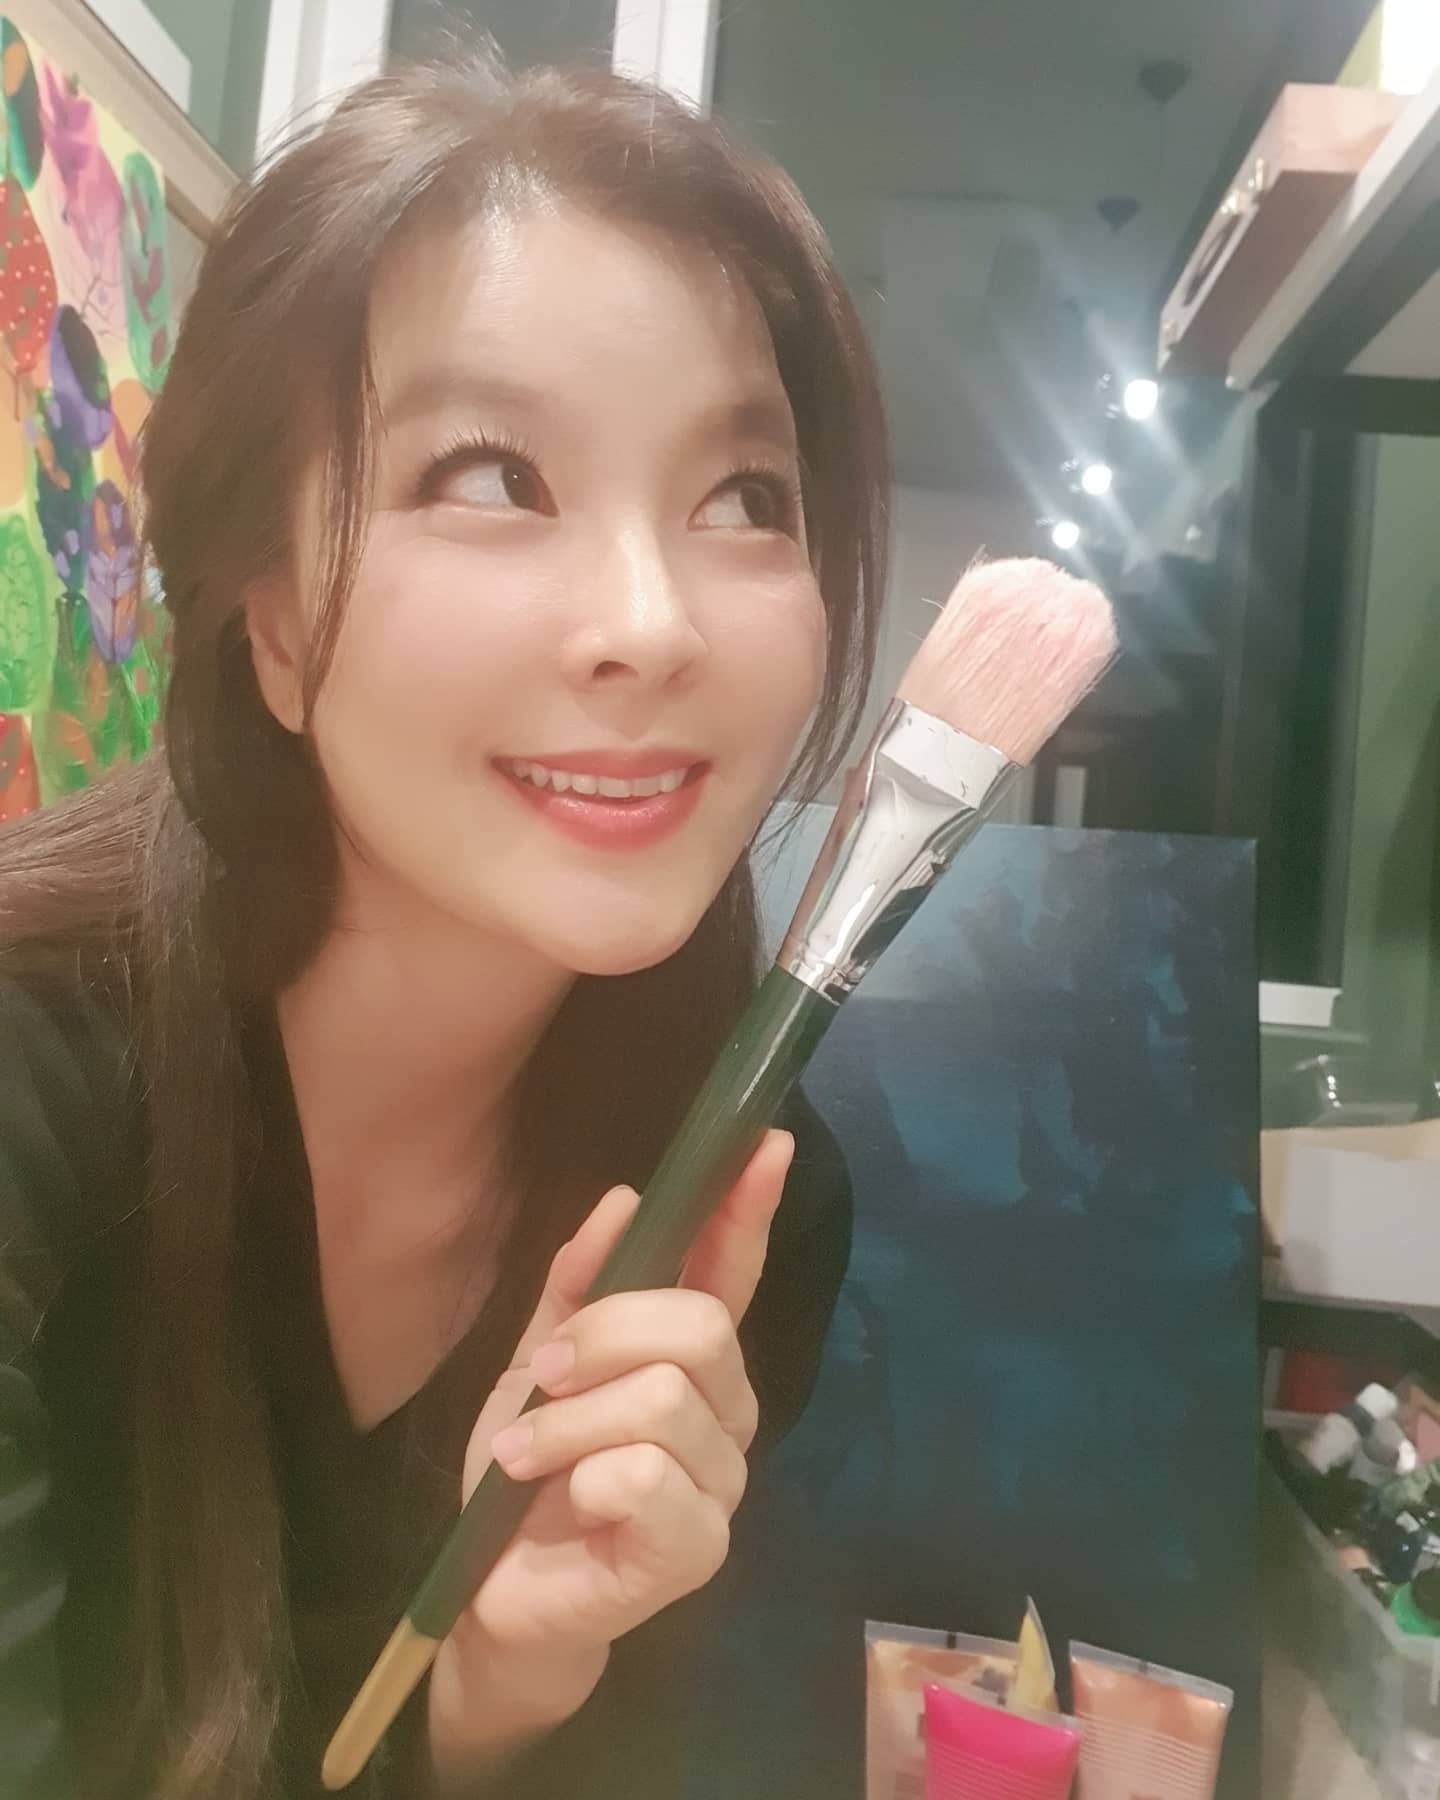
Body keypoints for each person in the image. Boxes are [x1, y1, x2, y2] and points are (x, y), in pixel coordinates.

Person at [0, 50, 886, 1800]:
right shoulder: (34, 1090)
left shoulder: (740, 1209)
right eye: (491, 477)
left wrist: (499, 1687)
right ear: (266, 622)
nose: (653, 625)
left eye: (744, 499)